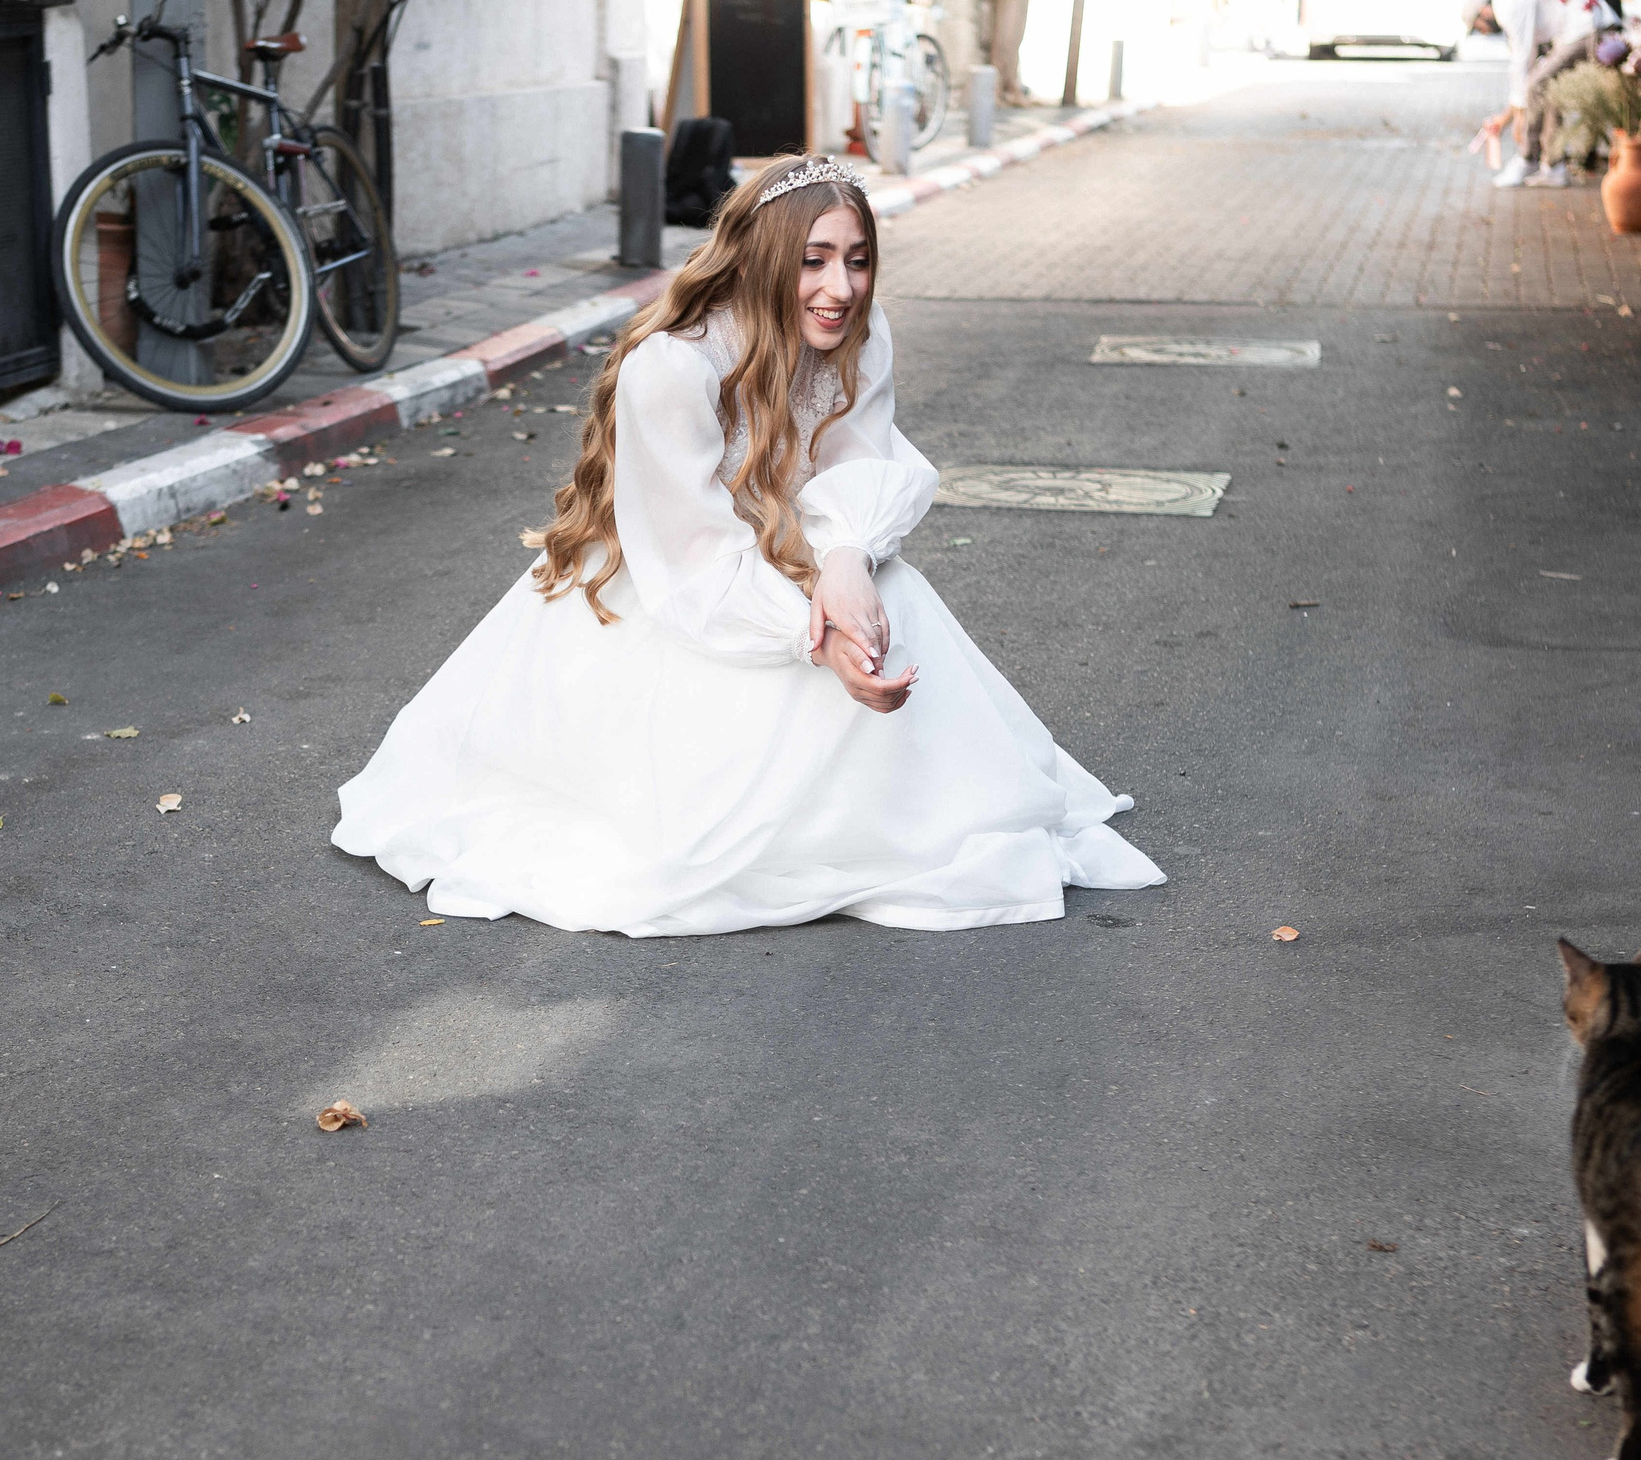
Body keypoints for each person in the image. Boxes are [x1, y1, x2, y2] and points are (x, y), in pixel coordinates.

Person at [332, 155, 1167, 936]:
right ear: (764, 258)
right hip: (671, 587)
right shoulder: (673, 367)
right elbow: (694, 559)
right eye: (813, 260)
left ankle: (903, 807)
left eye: (858, 259)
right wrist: (817, 636)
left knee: (893, 598)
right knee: (682, 827)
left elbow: (859, 464)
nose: (840, 287)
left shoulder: (863, 340)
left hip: (793, 555)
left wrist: (844, 567)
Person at [1473, 0, 1613, 188]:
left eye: (1478, 27)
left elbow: (1522, 59)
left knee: (1537, 85)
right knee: (1550, 91)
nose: (1483, 32)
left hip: (1585, 27)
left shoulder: (1508, 7)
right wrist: (1513, 111)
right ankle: (1553, 165)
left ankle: (1527, 158)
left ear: (1483, 13)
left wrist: (1519, 114)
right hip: (1584, 27)